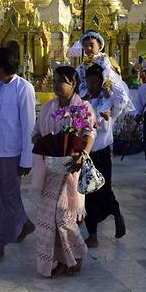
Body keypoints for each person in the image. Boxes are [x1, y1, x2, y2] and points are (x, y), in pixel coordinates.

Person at [32, 66, 96, 277]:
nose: (56, 84)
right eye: (55, 80)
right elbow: (36, 132)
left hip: (71, 169)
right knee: (47, 217)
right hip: (51, 169)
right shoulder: (49, 107)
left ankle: (77, 253)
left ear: (74, 84)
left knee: (63, 217)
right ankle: (59, 260)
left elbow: (89, 134)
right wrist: (42, 143)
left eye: (62, 81)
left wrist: (82, 154)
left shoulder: (83, 107)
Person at [0, 47, 36, 265]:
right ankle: (24, 223)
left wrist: (27, 159)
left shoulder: (23, 88)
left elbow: (28, 126)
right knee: (5, 196)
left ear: (3, 66)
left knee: (2, 200)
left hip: (13, 152)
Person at [83, 64, 126, 248]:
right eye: (88, 81)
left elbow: (108, 123)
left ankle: (116, 214)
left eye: (95, 82)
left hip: (102, 152)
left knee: (105, 189)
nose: (91, 85)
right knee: (88, 194)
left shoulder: (107, 102)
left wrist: (104, 115)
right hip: (86, 153)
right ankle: (92, 234)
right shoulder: (83, 101)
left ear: (101, 83)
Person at [76, 30, 133, 114]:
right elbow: (79, 75)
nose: (88, 48)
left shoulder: (103, 59)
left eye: (92, 45)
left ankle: (106, 110)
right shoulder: (83, 64)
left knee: (106, 101)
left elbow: (108, 71)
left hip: (103, 85)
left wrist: (106, 85)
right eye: (85, 46)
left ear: (99, 46)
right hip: (88, 89)